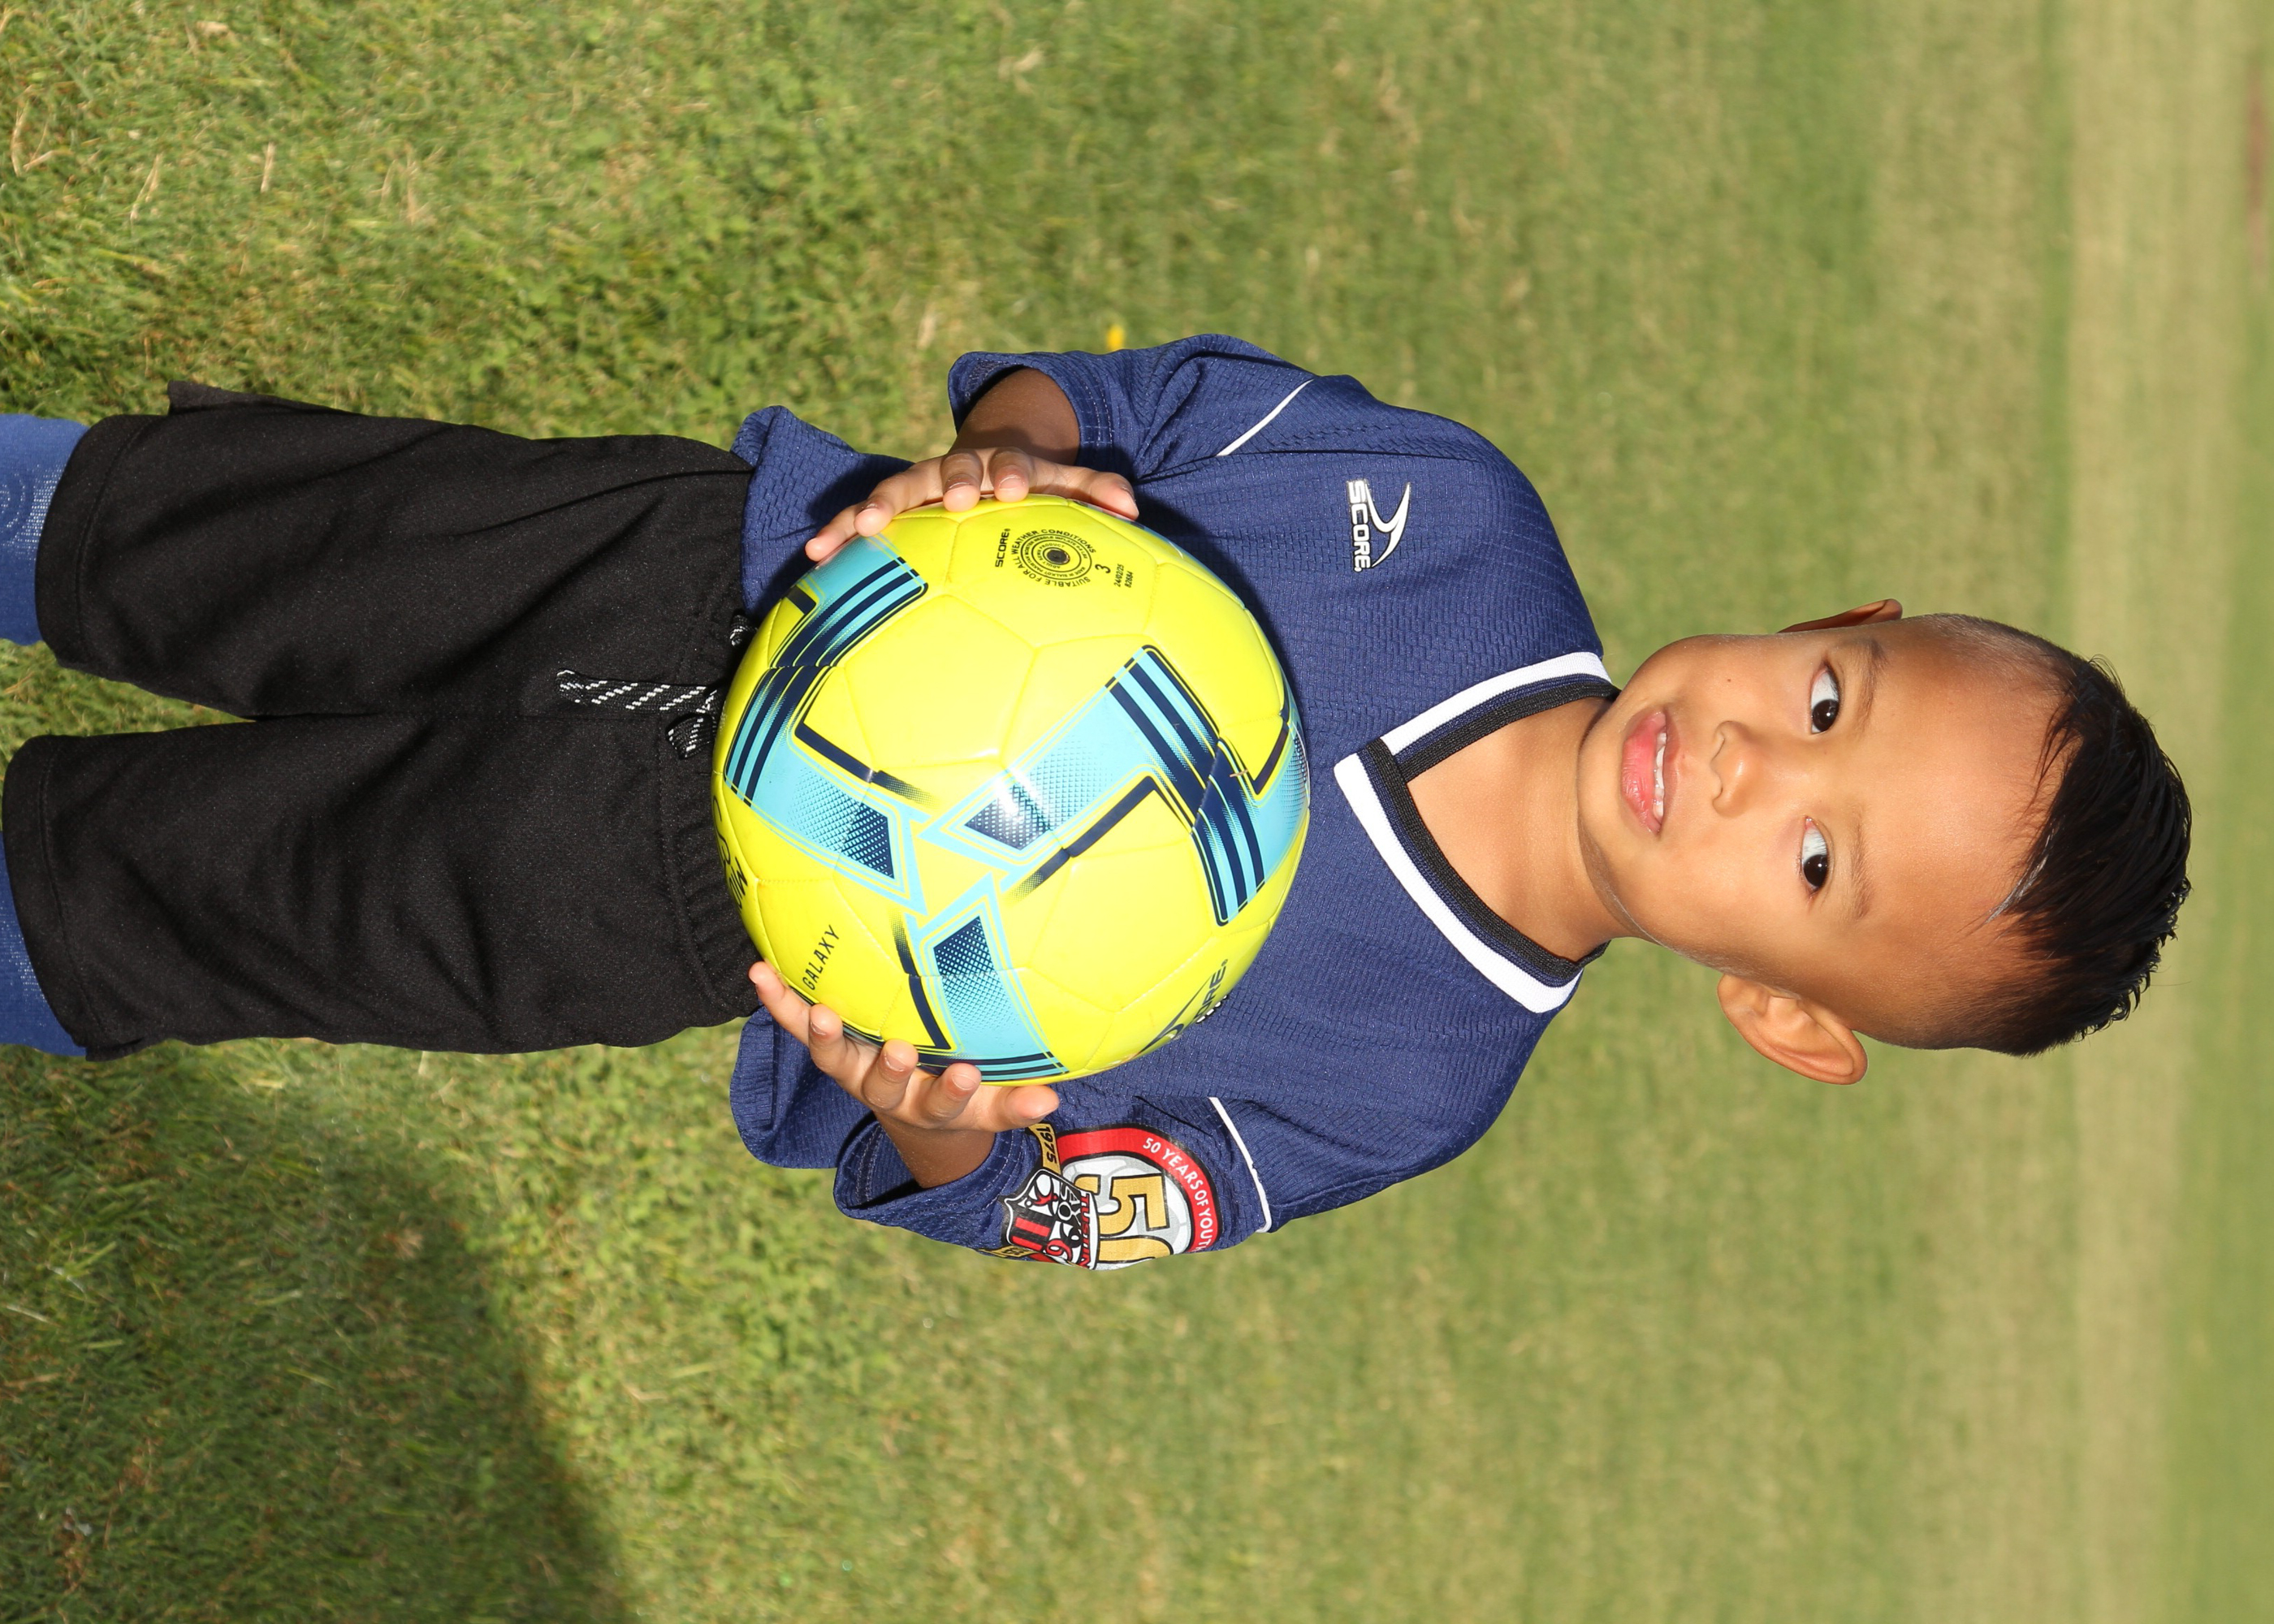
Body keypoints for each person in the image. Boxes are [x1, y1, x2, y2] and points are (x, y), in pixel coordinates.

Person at [0, 337, 2191, 1269]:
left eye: (1815, 859)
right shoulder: (1455, 518)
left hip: (664, 906)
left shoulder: (1410, 1078)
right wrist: (1021, 461)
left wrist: (949, 1107)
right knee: (243, 527)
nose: (1747, 764)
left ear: (1788, 1013)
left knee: (228, 901)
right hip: (707, 555)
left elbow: (1036, 1202)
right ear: (1839, 615)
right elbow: (1107, 397)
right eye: (1830, 699)